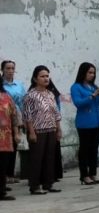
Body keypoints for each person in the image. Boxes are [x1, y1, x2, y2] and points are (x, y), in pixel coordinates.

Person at [23, 66, 62, 195]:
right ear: (35, 79)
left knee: (50, 158)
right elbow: (27, 116)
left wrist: (58, 129)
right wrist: (31, 132)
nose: (46, 78)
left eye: (47, 76)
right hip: (37, 131)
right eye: (42, 76)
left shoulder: (50, 94)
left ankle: (48, 184)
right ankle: (34, 186)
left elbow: (55, 113)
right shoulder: (30, 95)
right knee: (36, 158)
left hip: (51, 129)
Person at [71, 62, 99, 185]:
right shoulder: (76, 87)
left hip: (97, 122)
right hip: (85, 123)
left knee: (94, 150)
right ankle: (84, 175)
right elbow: (78, 103)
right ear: (83, 73)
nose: (92, 75)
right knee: (84, 150)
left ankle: (93, 173)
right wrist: (93, 96)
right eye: (89, 72)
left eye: (93, 73)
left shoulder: (93, 86)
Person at [1, 60, 25, 185]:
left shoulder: (19, 85)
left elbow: (23, 102)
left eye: (12, 68)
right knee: (3, 149)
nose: (10, 71)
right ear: (2, 70)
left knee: (14, 146)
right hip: (4, 119)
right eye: (7, 68)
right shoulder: (1, 85)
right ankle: (3, 176)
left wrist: (24, 119)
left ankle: (10, 174)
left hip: (17, 117)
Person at [0, 83, 19, 201]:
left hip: (5, 138)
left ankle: (1, 192)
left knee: (2, 166)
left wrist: (16, 133)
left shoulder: (7, 97)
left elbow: (14, 117)